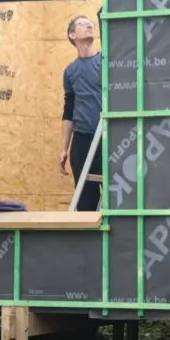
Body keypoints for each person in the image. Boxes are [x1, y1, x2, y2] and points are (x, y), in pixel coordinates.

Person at [58, 15, 104, 211]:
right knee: (85, 202)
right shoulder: (70, 71)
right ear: (72, 35)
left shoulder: (104, 61)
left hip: (108, 138)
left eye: (90, 23)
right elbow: (69, 111)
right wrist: (63, 149)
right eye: (82, 24)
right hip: (82, 141)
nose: (89, 25)